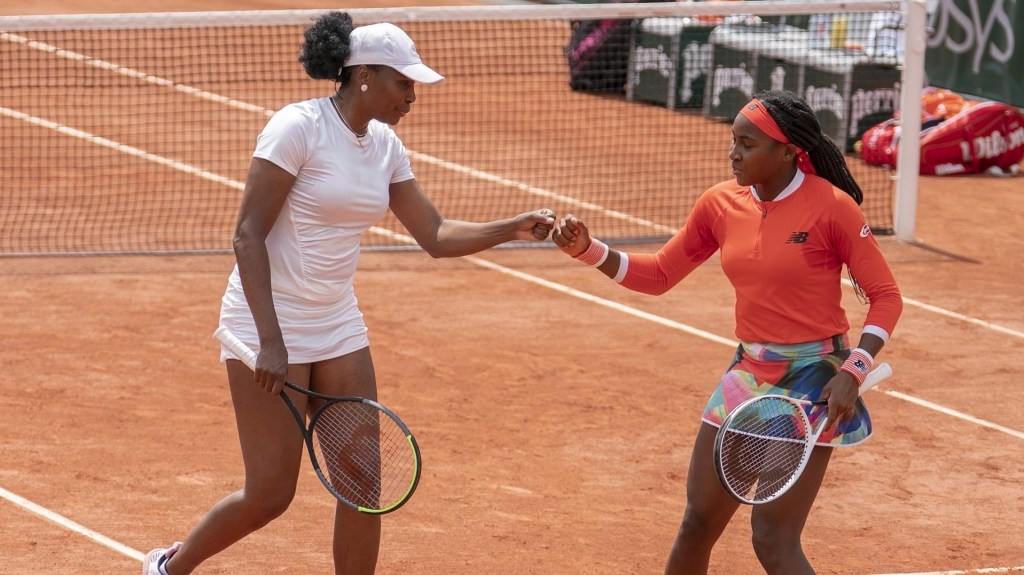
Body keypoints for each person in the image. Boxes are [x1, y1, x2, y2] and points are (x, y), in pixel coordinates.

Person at [142, 12, 554, 575]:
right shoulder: (298, 127)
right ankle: (170, 566)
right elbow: (247, 234)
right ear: (364, 76)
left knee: (363, 482)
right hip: (267, 321)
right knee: (270, 494)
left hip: (337, 324)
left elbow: (432, 234)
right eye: (403, 82)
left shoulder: (384, 146)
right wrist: (270, 341)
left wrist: (511, 228)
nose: (412, 96)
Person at [552, 89, 903, 575]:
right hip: (747, 374)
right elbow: (657, 275)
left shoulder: (832, 207)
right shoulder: (720, 204)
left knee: (773, 540)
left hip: (811, 383)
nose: (734, 153)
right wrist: (590, 251)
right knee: (697, 522)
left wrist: (854, 368)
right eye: (733, 141)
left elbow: (886, 296)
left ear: (787, 151)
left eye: (748, 143)